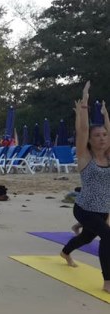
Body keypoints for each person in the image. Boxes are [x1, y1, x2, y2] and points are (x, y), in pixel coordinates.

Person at [61, 81, 110, 293]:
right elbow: (82, 130)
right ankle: (108, 281)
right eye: (97, 135)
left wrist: (105, 115)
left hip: (102, 210)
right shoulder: (84, 157)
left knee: (87, 237)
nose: (102, 138)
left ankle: (65, 252)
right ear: (90, 141)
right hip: (83, 208)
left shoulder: (109, 157)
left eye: (105, 135)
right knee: (107, 237)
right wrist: (84, 105)